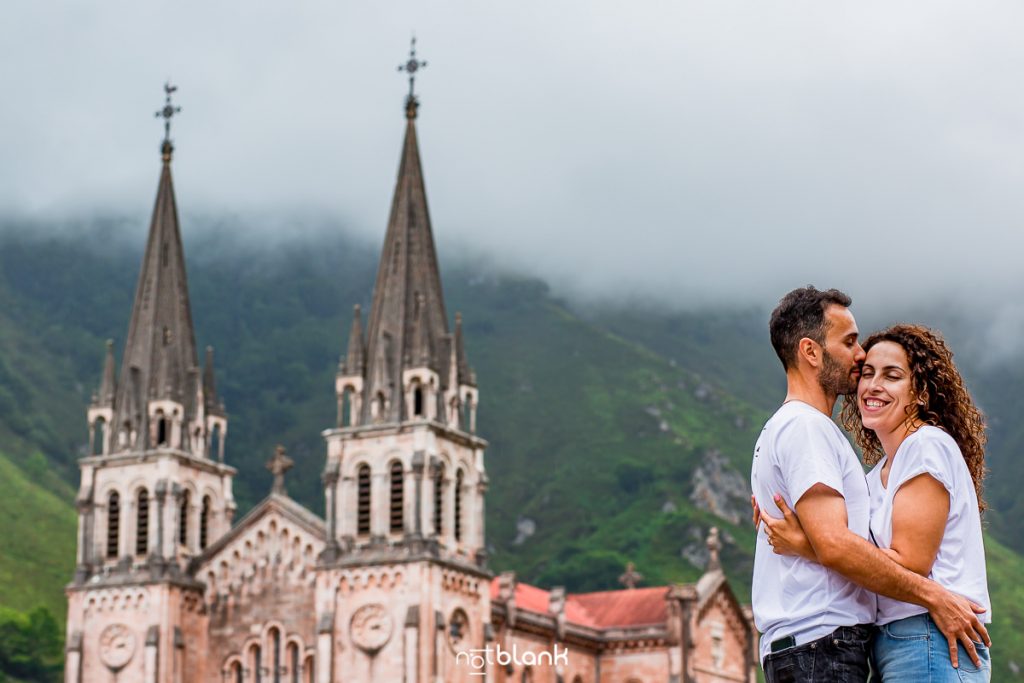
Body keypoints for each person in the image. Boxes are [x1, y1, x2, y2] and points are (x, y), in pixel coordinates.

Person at [750, 286, 988, 683]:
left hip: (922, 636)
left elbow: (896, 558)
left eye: (892, 375)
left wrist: (806, 544)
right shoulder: (811, 430)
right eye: (849, 342)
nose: (860, 360)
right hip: (846, 640)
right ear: (811, 352)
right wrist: (819, 544)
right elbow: (838, 544)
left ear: (919, 391)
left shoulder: (924, 446)